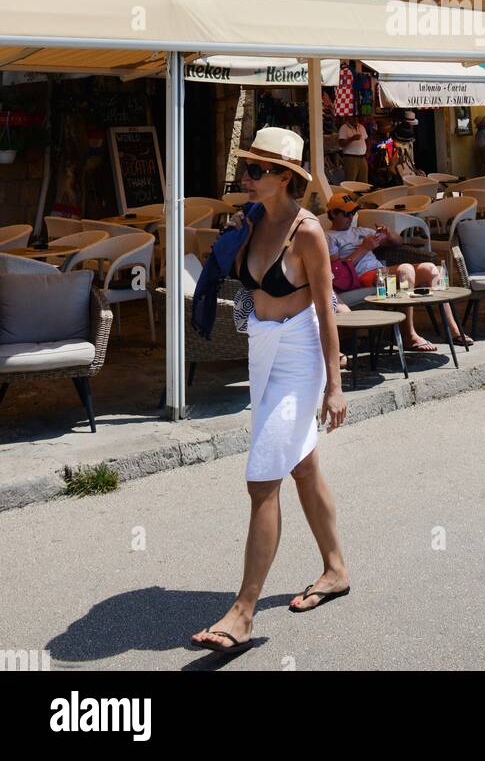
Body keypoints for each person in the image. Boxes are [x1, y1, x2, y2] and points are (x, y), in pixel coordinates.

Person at [190, 127, 348, 653]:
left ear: (286, 177)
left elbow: (326, 308)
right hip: (263, 352)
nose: (247, 177)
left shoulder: (307, 233)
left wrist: (334, 385)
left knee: (263, 479)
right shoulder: (252, 220)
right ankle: (335, 570)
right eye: (247, 168)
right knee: (302, 465)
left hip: (301, 358)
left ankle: (242, 612)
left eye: (258, 171)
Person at [325, 194, 472, 349]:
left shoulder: (361, 231)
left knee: (431, 269)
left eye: (353, 213)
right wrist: (364, 248)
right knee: (405, 271)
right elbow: (336, 270)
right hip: (362, 276)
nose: (351, 217)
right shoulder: (328, 237)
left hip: (381, 271)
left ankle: (454, 330)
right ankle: (408, 335)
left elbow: (399, 242)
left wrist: (389, 234)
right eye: (346, 214)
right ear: (334, 213)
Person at [337, 115, 368, 183]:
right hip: (350, 158)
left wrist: (368, 152)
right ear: (348, 118)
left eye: (356, 117)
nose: (355, 119)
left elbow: (366, 140)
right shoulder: (344, 128)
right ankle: (350, 194)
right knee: (350, 182)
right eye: (353, 117)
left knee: (364, 182)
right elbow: (341, 144)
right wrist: (352, 138)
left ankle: (363, 194)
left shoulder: (361, 127)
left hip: (362, 158)